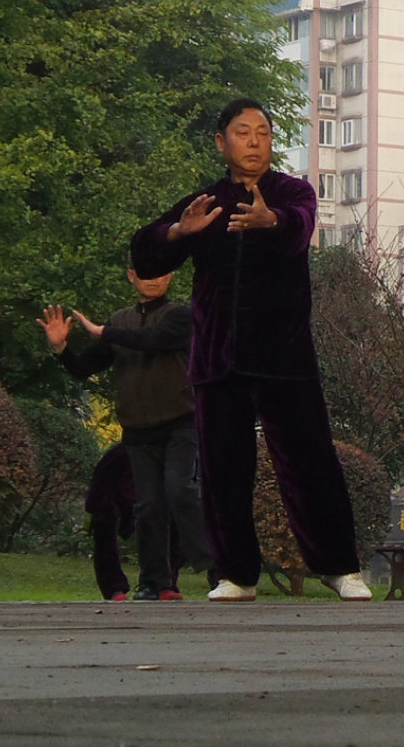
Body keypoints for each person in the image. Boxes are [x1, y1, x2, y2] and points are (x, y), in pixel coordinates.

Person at [130, 97, 370, 602]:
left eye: (263, 132)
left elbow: (301, 226)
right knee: (222, 469)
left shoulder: (292, 192)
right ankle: (236, 574)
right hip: (218, 357)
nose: (254, 142)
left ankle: (339, 567)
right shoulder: (205, 202)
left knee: (310, 464)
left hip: (285, 356)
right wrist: (178, 231)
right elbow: (145, 253)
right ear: (222, 143)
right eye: (243, 133)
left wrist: (272, 221)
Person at [38, 266, 211, 600]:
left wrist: (106, 333)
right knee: (148, 506)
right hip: (137, 429)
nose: (153, 277)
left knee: (181, 489)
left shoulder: (181, 316)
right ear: (131, 275)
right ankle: (154, 583)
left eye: (161, 271)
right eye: (145, 271)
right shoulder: (119, 322)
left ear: (171, 277)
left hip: (181, 423)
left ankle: (219, 569)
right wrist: (61, 349)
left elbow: (155, 340)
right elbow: (84, 368)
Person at [84, 444, 186, 601]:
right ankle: (114, 588)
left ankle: (164, 584)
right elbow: (96, 499)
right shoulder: (116, 458)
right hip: (130, 458)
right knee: (103, 519)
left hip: (161, 463)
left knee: (173, 518)